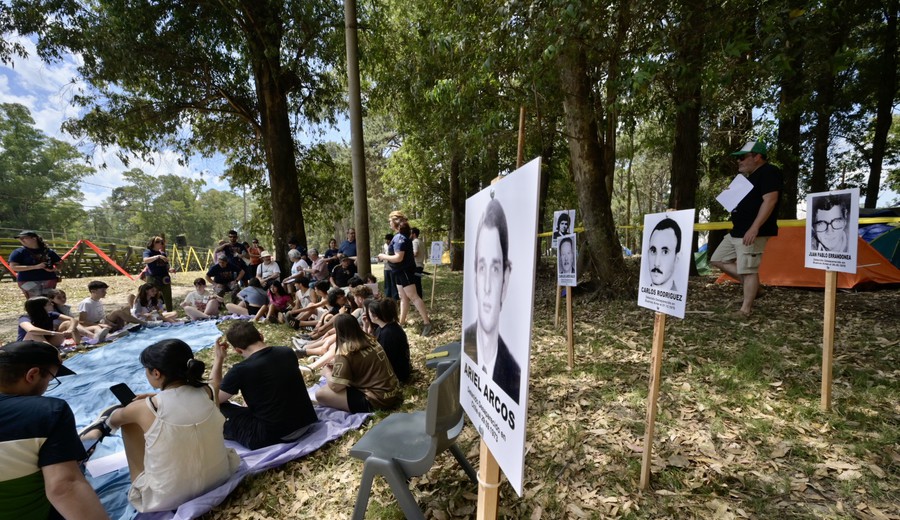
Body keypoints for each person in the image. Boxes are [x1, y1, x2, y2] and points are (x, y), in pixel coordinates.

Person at [81, 339, 239, 513]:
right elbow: (214, 382)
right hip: (220, 477)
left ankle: (92, 437)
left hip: (164, 498)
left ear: (156, 373)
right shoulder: (209, 392)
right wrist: (219, 358)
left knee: (129, 424)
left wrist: (133, 409)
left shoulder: (143, 408)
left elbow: (113, 419)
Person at [0, 341, 108, 519]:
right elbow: (64, 487)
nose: (46, 388)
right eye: (50, 380)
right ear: (32, 375)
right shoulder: (47, 412)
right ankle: (97, 431)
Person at [212, 321, 319, 449]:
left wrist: (219, 359)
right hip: (306, 421)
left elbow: (213, 398)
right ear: (261, 336)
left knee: (218, 409)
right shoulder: (287, 352)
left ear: (238, 350)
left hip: (273, 435)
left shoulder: (240, 369)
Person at [710, 140, 783, 317]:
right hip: (737, 231)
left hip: (751, 232)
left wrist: (754, 228)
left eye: (743, 157)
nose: (739, 161)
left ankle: (745, 310)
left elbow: (770, 200)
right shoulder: (748, 179)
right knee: (717, 259)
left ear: (757, 157)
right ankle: (754, 288)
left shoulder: (769, 172)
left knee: (749, 270)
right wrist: (730, 194)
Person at [463, 198, 521, 404]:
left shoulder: (515, 376)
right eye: (481, 268)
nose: (487, 287)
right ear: (474, 277)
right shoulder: (465, 345)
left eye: (495, 269)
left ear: (505, 281)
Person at [315, 314, 402, 413]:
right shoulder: (371, 340)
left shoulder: (345, 351)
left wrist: (326, 373)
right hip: (393, 392)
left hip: (376, 400)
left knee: (320, 394)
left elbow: (336, 386)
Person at [367, 298, 411, 384]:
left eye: (369, 313)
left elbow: (385, 360)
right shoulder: (382, 327)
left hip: (397, 374)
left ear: (375, 316)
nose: (368, 315)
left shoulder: (388, 334)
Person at [8, 230, 62, 299]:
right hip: (27, 280)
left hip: (49, 279)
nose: (21, 240)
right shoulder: (18, 252)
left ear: (34, 238)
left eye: (24, 238)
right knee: (34, 302)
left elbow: (59, 263)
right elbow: (13, 267)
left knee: (49, 301)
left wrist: (54, 268)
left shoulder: (48, 251)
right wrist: (35, 267)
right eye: (19, 239)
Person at [646, 218, 681, 291]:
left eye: (665, 252)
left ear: (676, 258)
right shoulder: (644, 296)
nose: (656, 263)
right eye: (653, 251)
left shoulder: (676, 301)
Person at [142, 235, 174, 311]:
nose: (162, 244)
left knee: (168, 297)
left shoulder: (163, 254)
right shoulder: (148, 252)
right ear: (154, 243)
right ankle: (152, 312)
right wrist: (157, 256)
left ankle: (170, 312)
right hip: (153, 278)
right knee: (153, 296)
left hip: (165, 278)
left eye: (162, 242)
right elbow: (146, 260)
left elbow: (166, 266)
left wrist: (170, 269)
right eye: (160, 242)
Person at [380, 233, 397, 299]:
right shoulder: (384, 246)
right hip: (386, 267)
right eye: (386, 240)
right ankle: (388, 297)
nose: (387, 242)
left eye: (388, 240)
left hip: (392, 267)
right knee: (387, 284)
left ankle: (395, 297)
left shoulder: (395, 245)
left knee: (393, 283)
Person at [411, 227, 425, 298]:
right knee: (418, 282)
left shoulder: (415, 242)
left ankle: (418, 298)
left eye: (411, 233)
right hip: (420, 265)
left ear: (414, 234)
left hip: (416, 266)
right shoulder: (421, 242)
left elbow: (415, 253)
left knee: (416, 283)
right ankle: (419, 297)